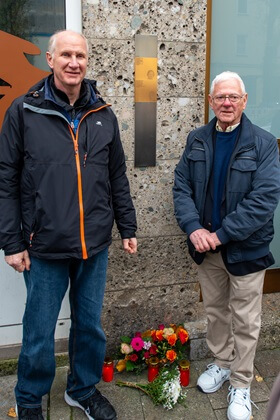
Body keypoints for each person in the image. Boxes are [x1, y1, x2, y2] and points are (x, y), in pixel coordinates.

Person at [0, 29, 137, 420]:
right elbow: (6, 178)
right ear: (50, 59)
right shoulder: (24, 111)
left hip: (94, 244)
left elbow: (117, 177)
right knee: (40, 333)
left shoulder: (103, 114)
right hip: (43, 246)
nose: (73, 62)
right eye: (66, 55)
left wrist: (127, 228)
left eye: (80, 55)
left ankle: (81, 389)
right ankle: (28, 399)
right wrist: (11, 242)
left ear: (87, 62)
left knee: (89, 327)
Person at [173, 71, 280, 420]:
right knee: (217, 312)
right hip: (206, 248)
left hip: (245, 249)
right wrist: (192, 228)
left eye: (234, 97)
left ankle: (242, 382)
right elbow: (181, 188)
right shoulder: (197, 139)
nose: (227, 103)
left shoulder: (263, 143)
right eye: (220, 97)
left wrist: (220, 234)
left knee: (246, 320)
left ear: (244, 101)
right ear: (211, 101)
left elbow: (263, 201)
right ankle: (221, 362)